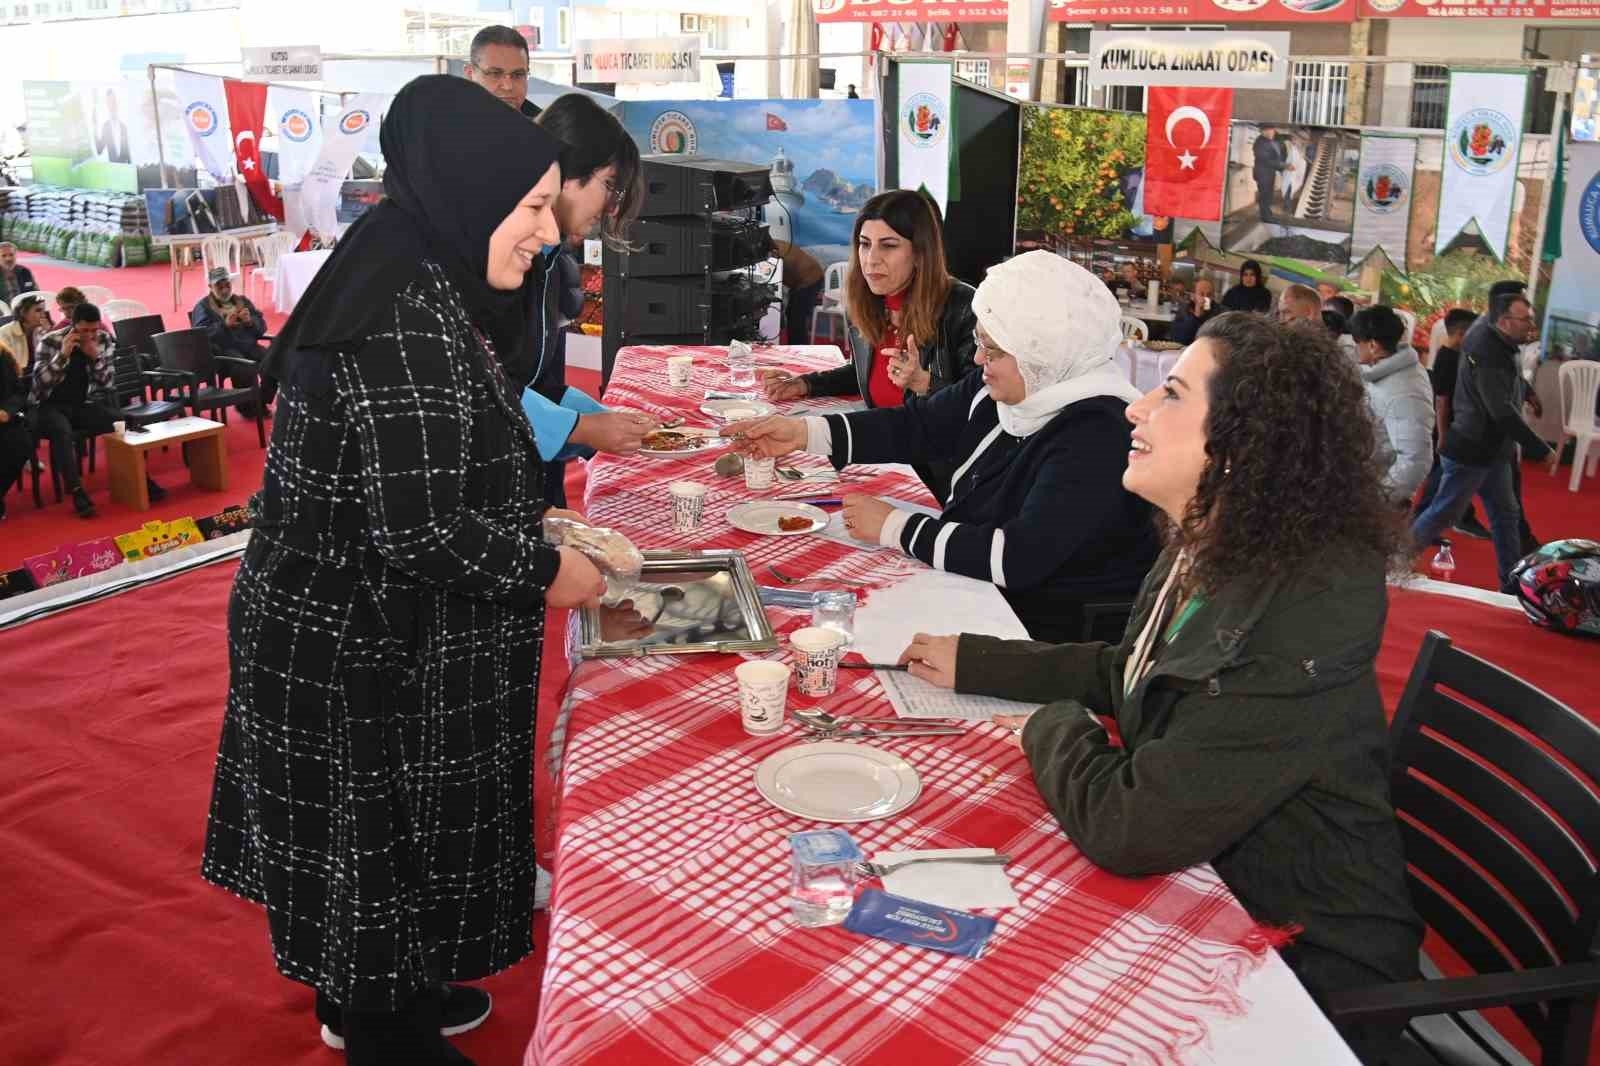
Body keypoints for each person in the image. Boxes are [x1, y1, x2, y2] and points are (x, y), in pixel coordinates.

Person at [202, 77, 607, 1066]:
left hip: (357, 628)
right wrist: (554, 567)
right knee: (369, 848)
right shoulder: (402, 318)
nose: (547, 232)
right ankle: (382, 1027)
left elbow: (434, 467)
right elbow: (420, 532)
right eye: (531, 207)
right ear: (469, 194)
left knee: (385, 847)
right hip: (349, 646)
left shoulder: (414, 270)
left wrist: (532, 513)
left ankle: (398, 990)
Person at [897, 313, 1422, 1061]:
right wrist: (980, 662)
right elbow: (1128, 672)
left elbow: (1128, 827)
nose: (1136, 409)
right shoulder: (1221, 543)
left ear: (1243, 448)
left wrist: (1050, 725)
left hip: (1304, 969)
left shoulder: (1300, 612)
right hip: (1217, 888)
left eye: (1170, 395)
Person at [727, 251, 1160, 643]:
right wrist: (803, 434)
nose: (977, 360)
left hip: (1043, 635)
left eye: (992, 349)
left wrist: (895, 526)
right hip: (985, 595)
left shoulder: (1096, 435)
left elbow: (1017, 558)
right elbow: (919, 425)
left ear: (1043, 353)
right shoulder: (1018, 385)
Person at [758, 189, 978, 502]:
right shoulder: (867, 302)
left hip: (939, 480)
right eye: (864, 244)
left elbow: (985, 407)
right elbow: (869, 372)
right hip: (881, 460)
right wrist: (806, 384)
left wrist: (925, 383)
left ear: (920, 253)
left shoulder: (965, 306)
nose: (871, 259)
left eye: (888, 246)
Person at [513, 92, 653, 507]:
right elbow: (480, 388)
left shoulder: (550, 257)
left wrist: (598, 420)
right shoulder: (503, 257)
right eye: (610, 186)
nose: (612, 208)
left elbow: (535, 380)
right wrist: (579, 427)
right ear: (565, 171)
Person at [1412, 293, 1554, 590]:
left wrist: (1527, 392)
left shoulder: (1503, 345)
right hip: (1471, 449)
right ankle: (1394, 561)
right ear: (1503, 320)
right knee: (1443, 512)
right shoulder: (1487, 351)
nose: (1530, 324)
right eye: (1524, 318)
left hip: (1493, 451)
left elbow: (1510, 386)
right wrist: (1538, 447)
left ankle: (1511, 584)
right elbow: (1500, 410)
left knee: (1506, 515)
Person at [31, 303, 165, 517]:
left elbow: (108, 384)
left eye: (94, 330)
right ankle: (77, 492)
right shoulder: (50, 341)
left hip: (81, 404)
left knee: (121, 421)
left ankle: (141, 478)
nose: (90, 335)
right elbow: (39, 385)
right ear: (73, 326)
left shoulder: (103, 340)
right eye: (84, 331)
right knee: (62, 432)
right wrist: (63, 355)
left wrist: (95, 358)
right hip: (48, 406)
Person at [1414, 308, 1490, 539]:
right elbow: (1442, 402)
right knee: (1440, 478)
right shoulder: (1447, 359)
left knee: (1448, 478)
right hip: (1448, 428)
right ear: (1460, 333)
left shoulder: (1463, 357)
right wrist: (1444, 434)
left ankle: (1451, 517)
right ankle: (1420, 521)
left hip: (1456, 428)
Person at [1350, 306, 1434, 508]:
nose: (1354, 349)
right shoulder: (1380, 370)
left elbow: (1415, 460)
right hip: (1365, 482)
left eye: (1357, 343)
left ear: (1373, 345)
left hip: (1378, 497)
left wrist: (1374, 500)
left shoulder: (1405, 391)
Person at [191, 266, 277, 410]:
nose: (225, 290)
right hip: (224, 351)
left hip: (249, 346)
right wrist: (224, 325)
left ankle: (261, 399)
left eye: (227, 285)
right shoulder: (203, 307)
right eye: (219, 287)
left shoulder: (242, 301)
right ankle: (248, 407)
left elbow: (262, 326)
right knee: (243, 367)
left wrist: (250, 322)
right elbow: (200, 335)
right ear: (210, 286)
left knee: (273, 361)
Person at [465, 25, 538, 118]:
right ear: (470, 75)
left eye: (518, 75)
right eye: (495, 74)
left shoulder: (545, 129)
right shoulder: (445, 126)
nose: (508, 86)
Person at [772, 235, 825, 345]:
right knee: (793, 314)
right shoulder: (773, 244)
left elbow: (771, 276)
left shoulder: (773, 252)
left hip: (810, 278)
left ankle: (799, 348)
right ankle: (796, 346)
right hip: (803, 278)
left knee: (797, 317)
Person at [0, 327, 28, 521]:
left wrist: (7, 411)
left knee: (21, 444)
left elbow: (19, 392)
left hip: (2, 418)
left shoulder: (2, 356)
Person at [0, 291, 50, 374]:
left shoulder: (41, 331)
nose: (43, 315)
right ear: (23, 313)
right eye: (38, 310)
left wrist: (49, 334)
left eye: (44, 311)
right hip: (17, 377)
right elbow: (7, 367)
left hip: (37, 374)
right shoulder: (4, 333)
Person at [1252, 125, 1288, 223]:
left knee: (1269, 194)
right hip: (1262, 172)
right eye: (1265, 131)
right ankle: (1266, 217)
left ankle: (1267, 213)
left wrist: (1282, 162)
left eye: (1270, 130)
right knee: (1264, 194)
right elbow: (1266, 160)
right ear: (1261, 132)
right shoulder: (1259, 143)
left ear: (1274, 129)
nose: (1269, 133)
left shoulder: (1277, 138)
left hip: (1270, 171)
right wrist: (1283, 165)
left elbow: (1282, 150)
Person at [1169, 277, 1218, 346]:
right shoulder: (1184, 310)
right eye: (1201, 294)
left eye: (1209, 295)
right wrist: (1196, 316)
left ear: (1213, 296)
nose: (1205, 298)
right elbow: (1178, 340)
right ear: (1193, 296)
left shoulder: (1221, 312)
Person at [94, 88, 131, 164]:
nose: (112, 104)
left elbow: (128, 154)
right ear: (107, 104)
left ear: (117, 102)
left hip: (126, 170)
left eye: (113, 100)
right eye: (109, 101)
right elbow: (99, 150)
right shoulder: (105, 127)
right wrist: (95, 127)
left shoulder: (124, 127)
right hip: (114, 171)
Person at [0, 241, 38, 306]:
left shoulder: (25, 272)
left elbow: (36, 293)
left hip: (24, 312)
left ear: (15, 255)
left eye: (11, 255)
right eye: (4, 256)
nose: (8, 259)